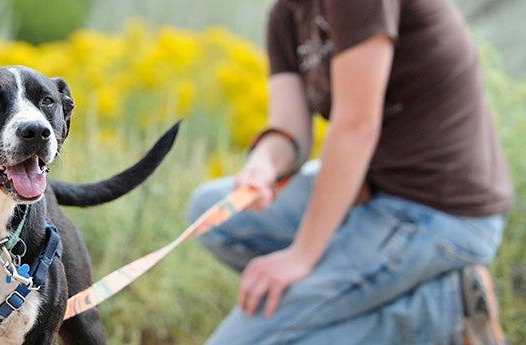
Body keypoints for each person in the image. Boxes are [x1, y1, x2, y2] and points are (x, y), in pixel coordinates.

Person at [186, 0, 513, 344]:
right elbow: (290, 129)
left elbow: (356, 126)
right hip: (369, 194)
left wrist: (301, 256)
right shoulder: (287, 14)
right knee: (212, 212)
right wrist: (264, 163)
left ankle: (443, 312)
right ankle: (396, 301)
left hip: (436, 211)